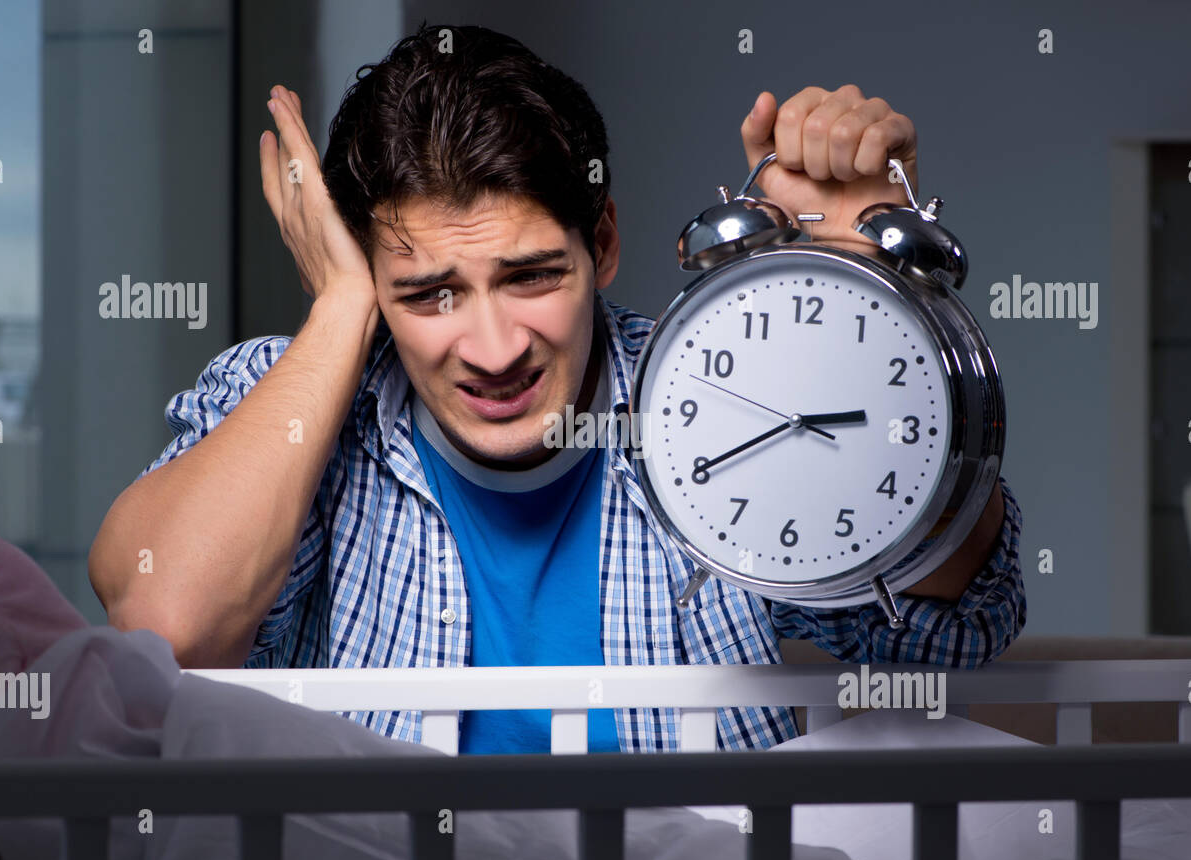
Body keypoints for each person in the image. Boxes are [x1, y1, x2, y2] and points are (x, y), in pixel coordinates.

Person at [88, 23, 1026, 754]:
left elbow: (953, 626)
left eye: (532, 276)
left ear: (604, 243)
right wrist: (339, 308)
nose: (495, 348)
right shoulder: (282, 397)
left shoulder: (714, 382)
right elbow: (168, 624)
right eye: (428, 293)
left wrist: (874, 291)